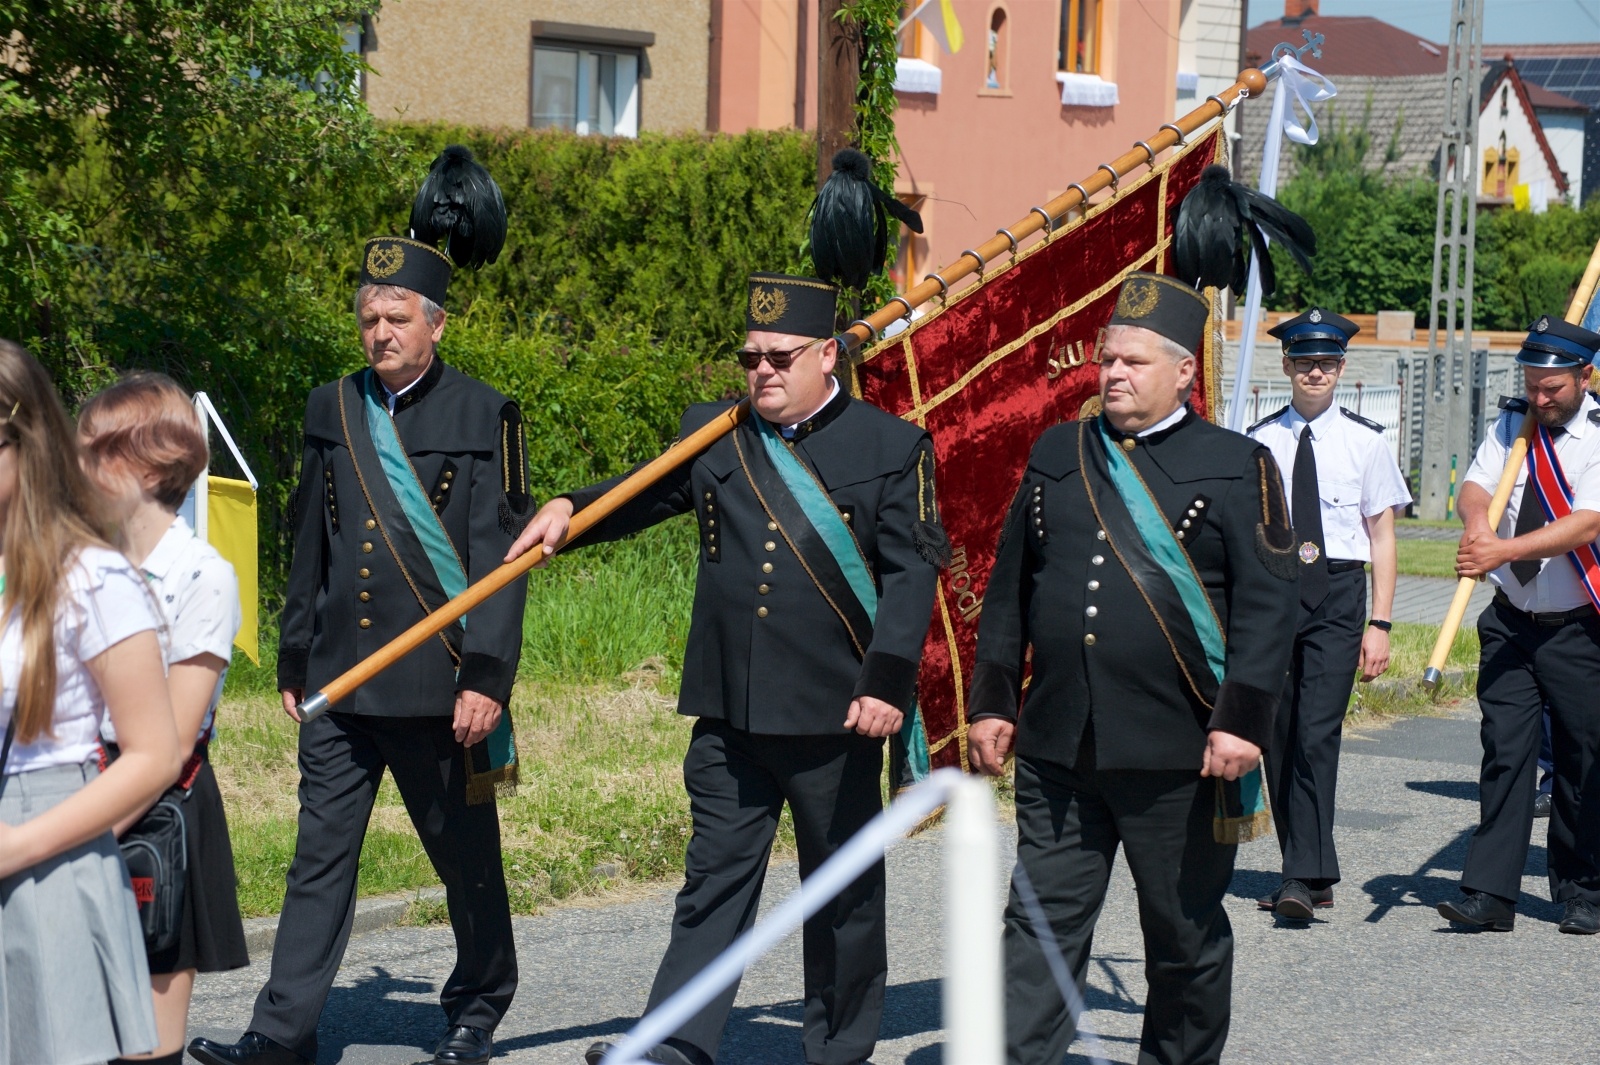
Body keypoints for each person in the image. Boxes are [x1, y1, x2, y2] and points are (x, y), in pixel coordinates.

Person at [510, 273, 944, 1065]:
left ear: (827, 355)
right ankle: (674, 1043)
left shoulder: (892, 448)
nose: (762, 371)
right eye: (750, 357)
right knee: (712, 881)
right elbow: (640, 494)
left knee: (842, 892)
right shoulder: (714, 432)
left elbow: (913, 575)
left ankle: (839, 1048)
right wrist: (572, 507)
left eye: (780, 357)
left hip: (836, 713)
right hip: (731, 710)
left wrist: (887, 680)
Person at [189, 148, 533, 1065]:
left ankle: (477, 1008)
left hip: (441, 685)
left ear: (436, 323)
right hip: (342, 678)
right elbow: (312, 539)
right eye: (369, 318)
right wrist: (295, 653)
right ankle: (281, 1031)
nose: (379, 334)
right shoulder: (331, 406)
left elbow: (502, 560)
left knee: (464, 857)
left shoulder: (486, 413)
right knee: (318, 860)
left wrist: (487, 675)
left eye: (397, 319)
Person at [965, 272, 1299, 1065]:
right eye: (1108, 359)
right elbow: (1011, 588)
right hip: (1061, 743)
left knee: (1182, 932)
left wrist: (1242, 722)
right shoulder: (1058, 451)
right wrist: (993, 700)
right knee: (1038, 924)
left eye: (1134, 362)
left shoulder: (1238, 464)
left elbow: (1269, 609)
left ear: (1184, 371)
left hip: (1179, 751)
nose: (1113, 374)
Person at [0, 339, 182, 1065]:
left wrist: (18, 845)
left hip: (48, 848)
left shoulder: (92, 577)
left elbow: (154, 755)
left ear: (28, 440)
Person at [79, 372, 249, 1065]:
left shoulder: (202, 575)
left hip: (156, 809)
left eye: (94, 451)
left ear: (148, 467)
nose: (76, 466)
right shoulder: (81, 564)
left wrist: (74, 840)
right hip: (78, 789)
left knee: (145, 1042)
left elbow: (173, 741)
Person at [1246, 309, 1411, 920]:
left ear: (1342, 368)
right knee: (1279, 733)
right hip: (1274, 592)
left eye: (1326, 363)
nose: (1315, 372)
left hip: (1338, 596)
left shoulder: (1366, 441)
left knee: (1317, 732)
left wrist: (1381, 624)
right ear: (1286, 365)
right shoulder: (1258, 439)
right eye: (1304, 362)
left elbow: (1382, 537)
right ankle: (1311, 873)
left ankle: (1299, 877)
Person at [1440, 315, 1600, 935]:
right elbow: (1475, 487)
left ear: (1585, 377)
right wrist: (1478, 525)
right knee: (1505, 754)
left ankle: (1583, 890)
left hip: (1579, 628)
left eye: (1551, 388)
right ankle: (1490, 893)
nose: (1539, 398)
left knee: (1583, 761)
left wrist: (1501, 551)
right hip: (1511, 620)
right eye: (1531, 385)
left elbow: (1587, 522)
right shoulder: (1513, 424)